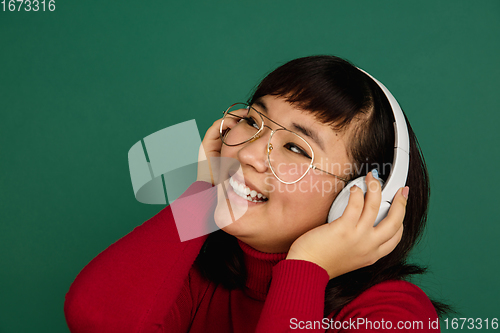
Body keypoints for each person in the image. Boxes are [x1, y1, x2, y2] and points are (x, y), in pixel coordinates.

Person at [64, 55, 444, 332]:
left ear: (360, 197)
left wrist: (306, 267)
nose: (246, 153)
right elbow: (97, 319)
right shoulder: (195, 275)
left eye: (295, 148)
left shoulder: (395, 316)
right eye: (252, 122)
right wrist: (200, 195)